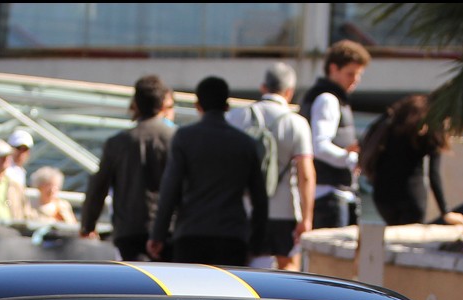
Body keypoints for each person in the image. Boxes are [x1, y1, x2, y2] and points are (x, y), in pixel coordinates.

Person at [147, 76, 268, 267]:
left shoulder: (184, 138)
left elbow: (170, 190)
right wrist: (256, 242)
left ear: (198, 106)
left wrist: (158, 235)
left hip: (191, 234)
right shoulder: (245, 143)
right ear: (227, 106)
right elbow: (260, 198)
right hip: (232, 236)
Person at [229, 61, 315, 270]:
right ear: (289, 92)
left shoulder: (237, 116)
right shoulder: (297, 123)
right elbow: (306, 174)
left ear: (263, 87)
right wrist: (307, 218)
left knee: (241, 269)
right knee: (288, 266)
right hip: (283, 210)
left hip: (245, 209)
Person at [80, 75, 177, 260]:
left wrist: (88, 224)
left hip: (129, 231)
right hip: (169, 230)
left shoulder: (118, 143)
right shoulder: (176, 138)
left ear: (136, 104)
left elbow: (98, 186)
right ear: (163, 104)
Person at [362, 94, 463, 228]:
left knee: (392, 240)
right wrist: (445, 211)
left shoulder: (394, 119)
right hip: (411, 195)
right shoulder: (430, 128)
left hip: (382, 196)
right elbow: (433, 174)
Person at [301, 40, 370, 230]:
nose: (355, 79)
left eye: (358, 74)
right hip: (329, 195)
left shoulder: (328, 98)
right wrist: (350, 158)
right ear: (333, 69)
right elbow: (319, 146)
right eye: (350, 73)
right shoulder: (328, 99)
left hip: (332, 194)